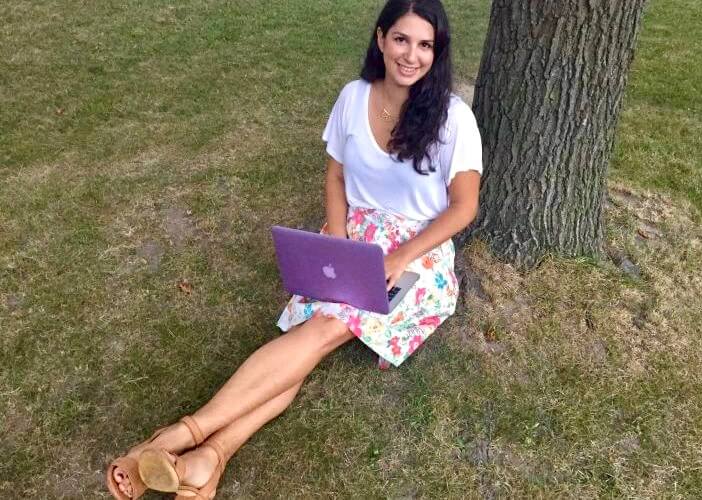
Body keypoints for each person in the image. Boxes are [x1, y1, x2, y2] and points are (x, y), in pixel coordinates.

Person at [106, 0, 482, 497]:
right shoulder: (353, 97)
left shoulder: (454, 117)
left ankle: (180, 434)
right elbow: (336, 174)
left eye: (425, 45)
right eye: (401, 39)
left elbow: (463, 209)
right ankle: (208, 462)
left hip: (419, 253)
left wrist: (399, 256)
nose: (411, 55)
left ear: (438, 51)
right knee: (311, 336)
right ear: (380, 38)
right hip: (352, 234)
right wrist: (339, 236)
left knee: (325, 326)